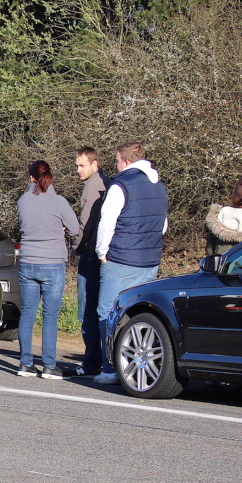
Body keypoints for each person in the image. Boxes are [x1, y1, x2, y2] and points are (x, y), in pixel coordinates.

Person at [94, 142, 168, 385]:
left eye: (116, 161)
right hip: (149, 260)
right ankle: (136, 363)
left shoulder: (121, 185)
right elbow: (163, 225)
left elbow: (107, 222)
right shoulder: (158, 186)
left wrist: (102, 252)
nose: (116, 165)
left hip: (122, 259)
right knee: (141, 313)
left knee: (107, 311)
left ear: (125, 161)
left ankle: (109, 367)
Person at [15, 160, 79, 378]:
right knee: (50, 315)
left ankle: (25, 363)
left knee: (28, 313)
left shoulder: (22, 201)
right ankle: (49, 365)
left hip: (27, 262)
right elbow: (75, 228)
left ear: (31, 178)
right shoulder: (59, 201)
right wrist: (59, 229)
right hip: (52, 262)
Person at [68, 147, 109, 377]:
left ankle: (92, 361)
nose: (78, 170)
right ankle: (100, 359)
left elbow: (86, 225)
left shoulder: (94, 186)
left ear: (95, 163)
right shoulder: (106, 182)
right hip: (100, 253)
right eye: (76, 165)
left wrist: (76, 248)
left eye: (82, 165)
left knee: (88, 311)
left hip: (91, 254)